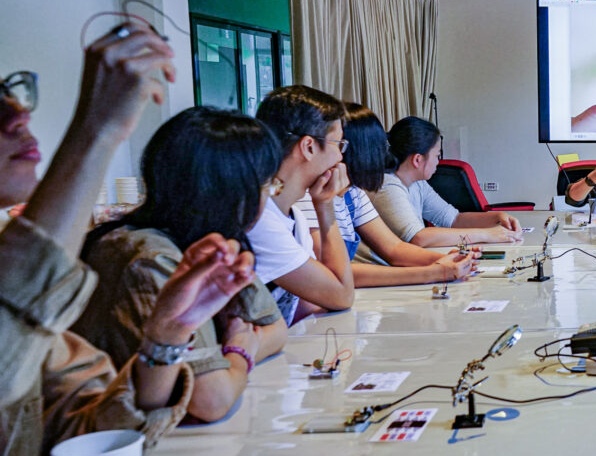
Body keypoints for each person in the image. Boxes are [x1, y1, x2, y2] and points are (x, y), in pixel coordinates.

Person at [0, 25, 255, 456]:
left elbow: (92, 430)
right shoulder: (145, 252)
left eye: (9, 94)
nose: (18, 116)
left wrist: (164, 340)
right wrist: (96, 131)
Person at [74, 107, 288, 422]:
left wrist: (234, 359)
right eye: (266, 186)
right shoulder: (153, 258)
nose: (268, 198)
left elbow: (276, 328)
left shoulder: (209, 238)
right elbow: (212, 400)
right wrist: (240, 350)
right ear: (231, 191)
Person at [246, 86, 355, 324]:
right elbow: (341, 295)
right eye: (339, 144)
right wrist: (325, 206)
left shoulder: (293, 214)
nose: (341, 157)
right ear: (309, 147)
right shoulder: (259, 218)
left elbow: (313, 299)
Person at [338, 104, 477, 282]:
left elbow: (394, 248)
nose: (384, 156)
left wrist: (449, 259)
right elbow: (339, 273)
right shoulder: (320, 200)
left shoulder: (354, 192)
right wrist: (436, 271)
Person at [368, 116, 523, 248]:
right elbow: (418, 237)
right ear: (417, 159)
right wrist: (486, 234)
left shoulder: (417, 183)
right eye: (436, 155)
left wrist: (497, 217)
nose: (438, 162)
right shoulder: (387, 185)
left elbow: (454, 219)